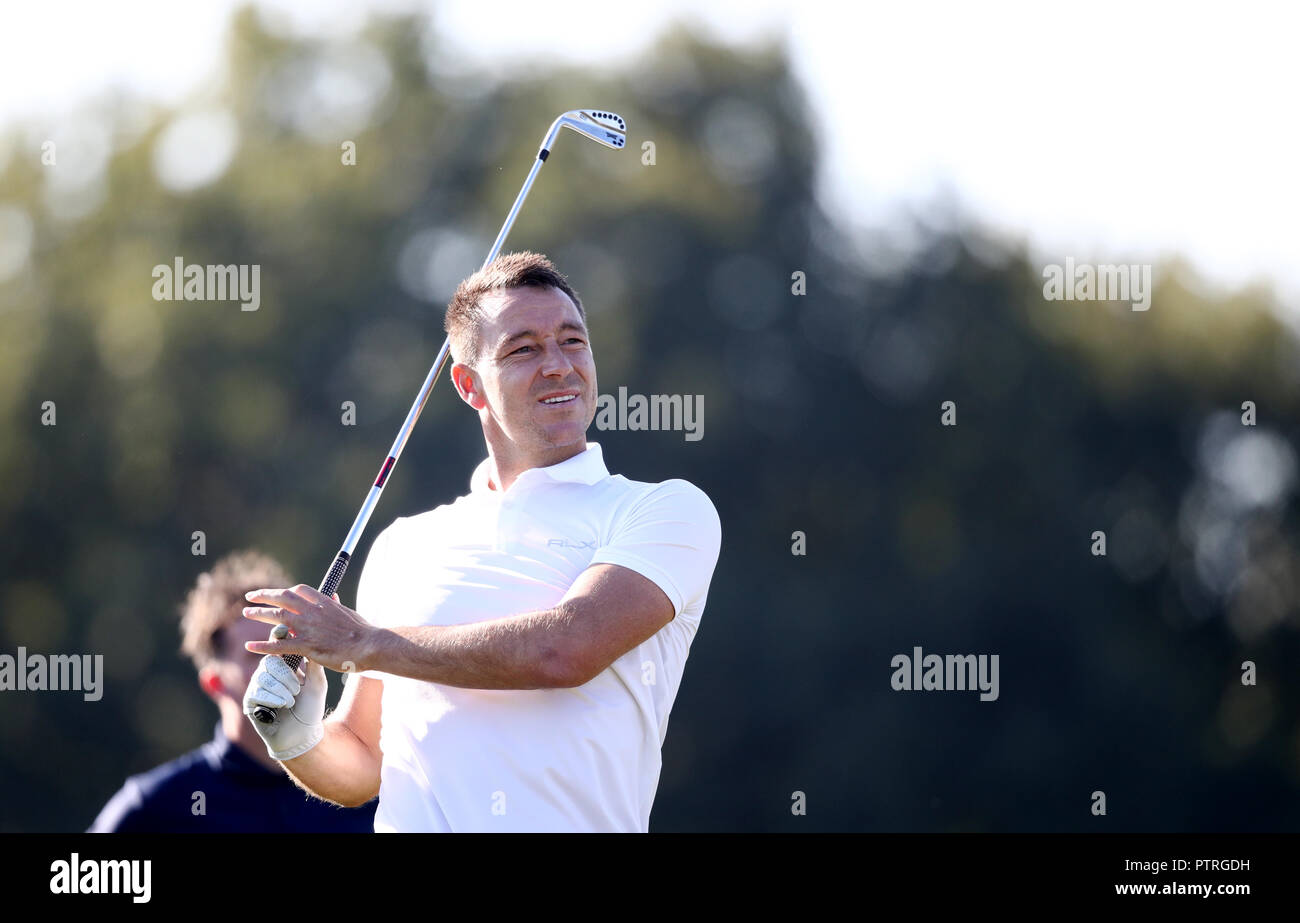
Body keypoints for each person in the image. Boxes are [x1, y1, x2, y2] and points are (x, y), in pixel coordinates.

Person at [242, 251, 722, 832]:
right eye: (523, 348)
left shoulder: (664, 509)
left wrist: (364, 642)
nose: (559, 366)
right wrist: (298, 742)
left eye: (573, 341)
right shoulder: (404, 545)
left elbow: (565, 649)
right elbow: (365, 762)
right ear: (469, 384)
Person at [89, 550, 376, 832]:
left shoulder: (368, 792)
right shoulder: (153, 809)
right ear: (215, 683)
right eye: (258, 653)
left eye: (288, 644)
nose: (283, 662)